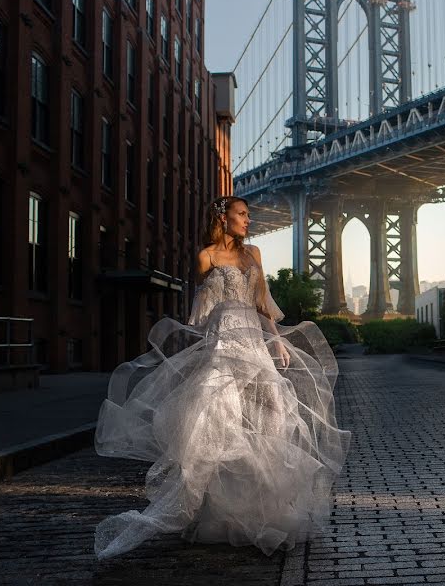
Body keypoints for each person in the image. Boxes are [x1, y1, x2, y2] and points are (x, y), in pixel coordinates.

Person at [94, 196, 350, 560]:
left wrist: (276, 342)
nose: (249, 219)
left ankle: (263, 503)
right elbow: (203, 314)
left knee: (275, 411)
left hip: (254, 342)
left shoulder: (254, 254)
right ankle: (218, 509)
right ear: (223, 217)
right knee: (217, 419)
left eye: (248, 214)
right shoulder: (206, 257)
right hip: (222, 342)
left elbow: (262, 302)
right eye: (242, 214)